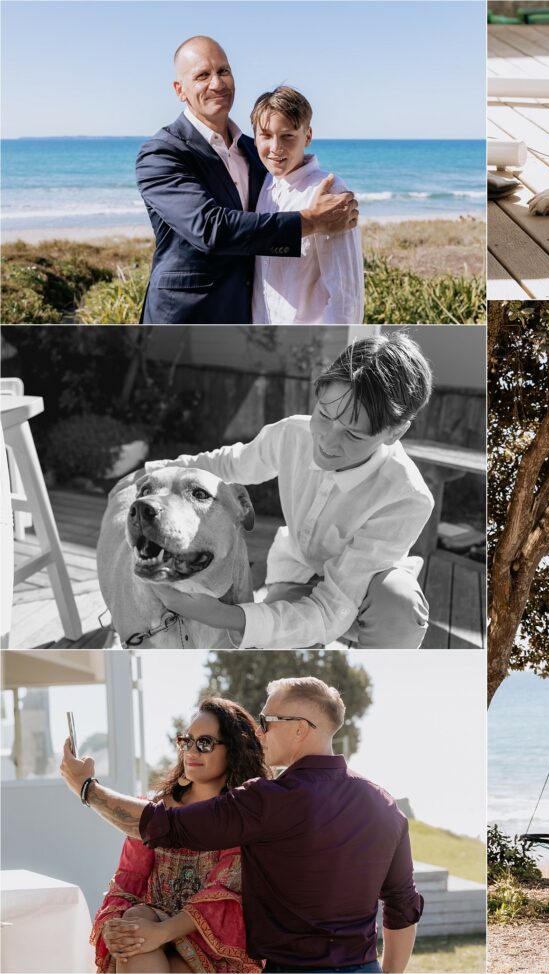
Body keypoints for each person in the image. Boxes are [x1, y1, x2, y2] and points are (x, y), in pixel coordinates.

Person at [61, 676, 423, 974]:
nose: (260, 732)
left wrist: (86, 789)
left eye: (267, 722)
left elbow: (166, 827)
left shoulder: (269, 800)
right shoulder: (385, 806)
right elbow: (403, 905)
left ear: (300, 730)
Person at [132, 333, 434, 649]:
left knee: (399, 606)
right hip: (298, 573)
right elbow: (229, 464)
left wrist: (221, 615)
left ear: (394, 432)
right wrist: (151, 472)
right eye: (324, 415)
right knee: (279, 645)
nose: (328, 442)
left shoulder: (407, 497)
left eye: (353, 436)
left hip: (365, 595)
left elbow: (332, 607)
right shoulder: (291, 434)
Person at [136, 36, 359, 324]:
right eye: (202, 75)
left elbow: (289, 188)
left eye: (223, 71)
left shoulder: (256, 152)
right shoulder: (162, 152)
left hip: (247, 322)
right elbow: (210, 228)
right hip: (185, 319)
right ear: (180, 89)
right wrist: (311, 220)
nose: (217, 83)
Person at [87, 697, 268, 973]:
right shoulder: (154, 812)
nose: (191, 751)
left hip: (210, 944)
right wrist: (115, 926)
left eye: (204, 743)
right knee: (134, 925)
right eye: (186, 741)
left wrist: (161, 933)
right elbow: (128, 880)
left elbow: (223, 893)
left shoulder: (240, 817)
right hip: (147, 930)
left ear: (233, 751)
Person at [251, 86, 364, 324]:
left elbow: (347, 296)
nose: (275, 147)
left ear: (308, 136)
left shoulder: (329, 191)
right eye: (266, 135)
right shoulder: (263, 184)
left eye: (287, 136)